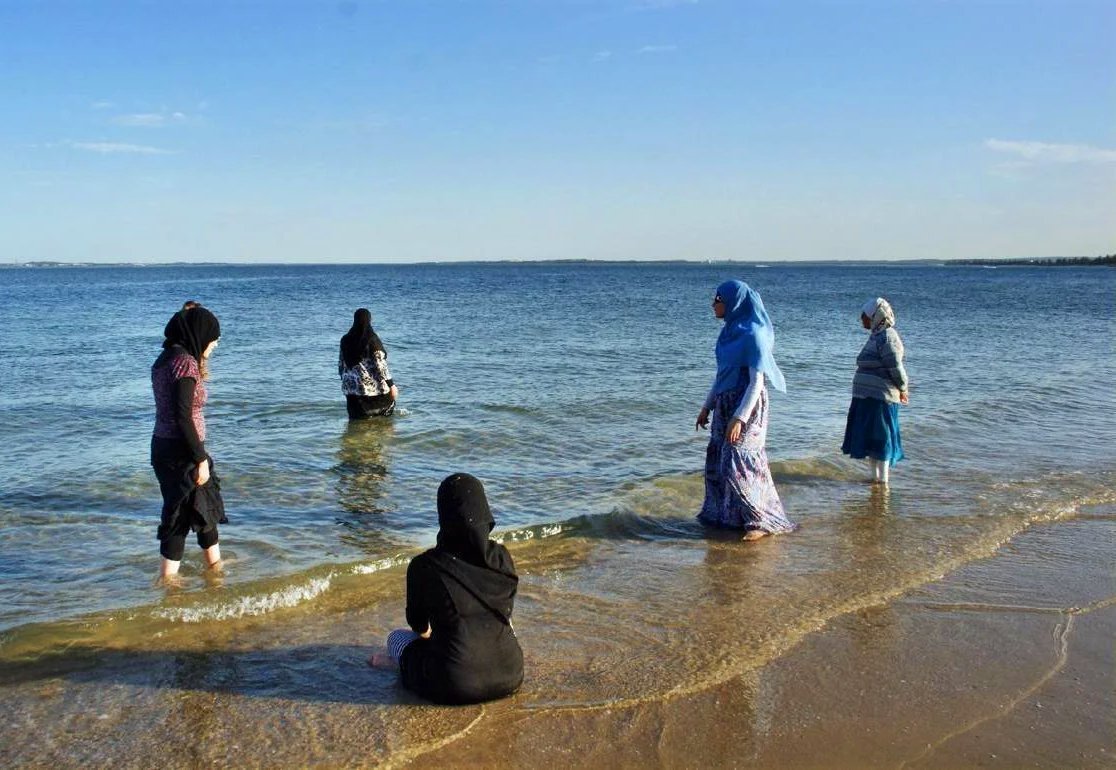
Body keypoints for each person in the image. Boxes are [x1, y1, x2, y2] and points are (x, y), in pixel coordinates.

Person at [372, 473, 524, 705]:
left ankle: (399, 666)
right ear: (484, 512)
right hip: (511, 674)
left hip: (453, 684)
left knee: (395, 638)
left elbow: (419, 625)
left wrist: (440, 637)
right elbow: (506, 612)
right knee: (499, 622)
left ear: (444, 516)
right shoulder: (501, 558)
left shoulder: (425, 566)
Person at [695, 280, 796, 540]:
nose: (713, 304)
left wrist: (740, 417)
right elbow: (721, 375)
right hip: (724, 403)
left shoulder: (754, 334)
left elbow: (756, 382)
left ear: (733, 302)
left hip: (747, 406)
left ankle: (761, 520)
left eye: (717, 299)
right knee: (718, 459)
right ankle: (727, 517)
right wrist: (707, 406)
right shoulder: (728, 333)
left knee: (738, 459)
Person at [150, 305, 226, 579]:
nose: (216, 344)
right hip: (182, 451)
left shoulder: (165, 358)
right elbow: (183, 416)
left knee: (202, 508)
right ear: (200, 334)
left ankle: (215, 570)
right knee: (180, 516)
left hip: (165, 446)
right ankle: (168, 583)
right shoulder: (185, 363)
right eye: (214, 338)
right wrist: (200, 459)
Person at [841, 297, 909, 485]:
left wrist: (903, 388)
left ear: (876, 316)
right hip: (867, 398)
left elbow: (895, 366)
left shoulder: (888, 337)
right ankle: (875, 480)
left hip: (881, 398)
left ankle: (883, 482)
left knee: (882, 441)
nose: (862, 320)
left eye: (865, 316)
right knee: (871, 441)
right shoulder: (876, 336)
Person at [339, 308, 398, 419]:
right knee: (385, 424)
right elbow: (381, 366)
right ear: (369, 320)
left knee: (356, 424)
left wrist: (347, 380)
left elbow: (341, 366)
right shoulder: (371, 339)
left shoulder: (345, 340)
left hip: (352, 393)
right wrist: (392, 385)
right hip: (372, 392)